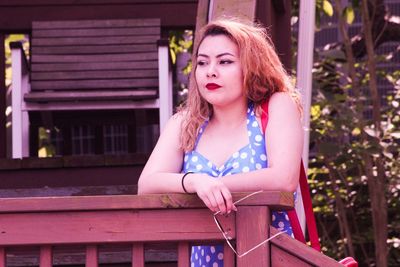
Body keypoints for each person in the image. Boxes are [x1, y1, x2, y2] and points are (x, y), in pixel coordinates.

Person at [138, 18, 303, 267]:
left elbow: (284, 178)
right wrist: (195, 181)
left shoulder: (274, 107)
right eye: (202, 62)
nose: (210, 71)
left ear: (251, 66)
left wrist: (215, 187)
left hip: (269, 259)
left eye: (224, 61)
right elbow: (147, 184)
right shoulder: (185, 123)